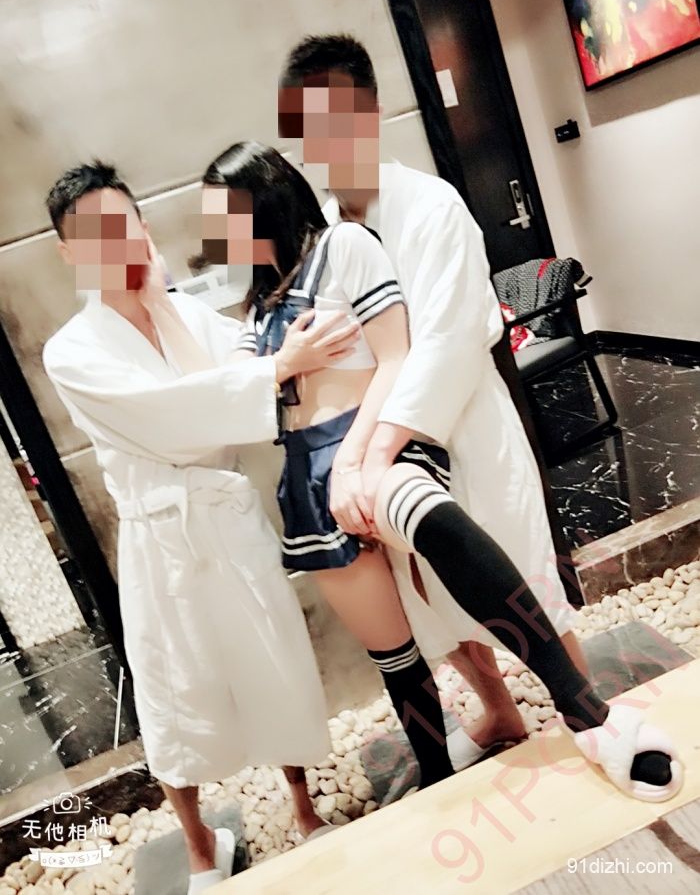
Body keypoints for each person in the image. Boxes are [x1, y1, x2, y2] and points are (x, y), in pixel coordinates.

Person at [200, 142, 682, 804]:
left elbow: (399, 354)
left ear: (261, 203)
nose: (214, 233)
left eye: (223, 214)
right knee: (403, 644)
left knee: (455, 535)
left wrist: (358, 455)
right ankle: (439, 772)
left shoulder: (347, 243)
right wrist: (285, 362)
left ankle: (586, 711)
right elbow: (246, 395)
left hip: (378, 437)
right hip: (307, 478)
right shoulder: (257, 304)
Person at [41, 161, 362, 893]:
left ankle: (304, 807)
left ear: (141, 224)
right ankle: (196, 845)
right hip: (161, 538)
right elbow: (174, 419)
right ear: (68, 250)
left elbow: (243, 381)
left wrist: (166, 305)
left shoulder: (186, 313)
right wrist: (273, 370)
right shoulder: (72, 351)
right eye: (91, 232)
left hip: (225, 518)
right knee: (173, 694)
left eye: (121, 222)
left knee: (273, 662)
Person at [278, 33, 585, 764]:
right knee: (429, 597)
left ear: (370, 111)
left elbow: (446, 342)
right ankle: (500, 710)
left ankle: (587, 706)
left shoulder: (430, 205)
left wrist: (375, 454)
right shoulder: (324, 233)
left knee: (518, 569)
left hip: (460, 423)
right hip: (378, 443)